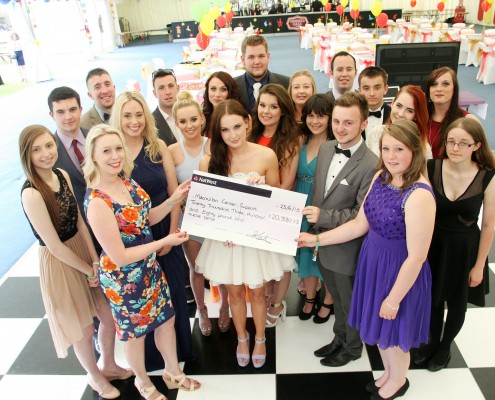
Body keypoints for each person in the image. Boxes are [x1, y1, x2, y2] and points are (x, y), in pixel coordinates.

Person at [300, 119, 435, 399]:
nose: (391, 156)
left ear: (415, 151)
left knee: (395, 334)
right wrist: (315, 239)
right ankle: (388, 373)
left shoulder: (419, 195)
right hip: (372, 263)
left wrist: (394, 298)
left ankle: (398, 380)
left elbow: (417, 257)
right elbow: (359, 225)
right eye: (386, 149)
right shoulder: (380, 176)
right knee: (380, 328)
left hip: (400, 272)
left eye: (399, 149)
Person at [84, 125, 200, 399]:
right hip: (124, 281)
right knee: (135, 336)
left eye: (118, 148)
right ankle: (142, 381)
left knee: (166, 321)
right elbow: (119, 256)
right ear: (94, 156)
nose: (115, 156)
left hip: (148, 270)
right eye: (106, 151)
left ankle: (173, 373)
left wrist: (174, 199)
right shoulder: (98, 201)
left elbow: (147, 219)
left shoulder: (127, 182)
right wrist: (164, 243)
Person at [20, 125, 131, 399]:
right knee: (83, 327)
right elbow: (55, 246)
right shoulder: (32, 193)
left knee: (107, 314)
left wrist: (96, 262)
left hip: (83, 252)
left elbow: (81, 220)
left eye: (49, 145)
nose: (46, 153)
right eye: (37, 150)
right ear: (27, 155)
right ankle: (94, 376)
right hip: (60, 263)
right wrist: (86, 269)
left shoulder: (63, 174)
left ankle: (108, 363)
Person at [195, 99, 295, 368]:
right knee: (236, 294)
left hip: (256, 239)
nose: (233, 135)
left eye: (237, 126)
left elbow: (278, 197)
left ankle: (260, 338)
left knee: (258, 291)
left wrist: (262, 186)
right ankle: (242, 337)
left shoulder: (266, 156)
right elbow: (208, 206)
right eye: (225, 130)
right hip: (226, 241)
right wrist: (221, 229)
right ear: (218, 132)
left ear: (248, 123)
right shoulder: (210, 160)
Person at [109, 91, 195, 368]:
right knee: (140, 300)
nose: (134, 121)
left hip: (163, 230)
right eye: (127, 115)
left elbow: (174, 192)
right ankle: (147, 360)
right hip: (130, 238)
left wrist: (171, 235)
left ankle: (179, 352)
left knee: (172, 295)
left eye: (138, 114)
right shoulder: (113, 150)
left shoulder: (157, 146)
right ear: (117, 118)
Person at [301, 92, 377, 368]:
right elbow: (320, 193)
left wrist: (324, 216)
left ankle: (353, 347)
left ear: (364, 124)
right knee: (334, 296)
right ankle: (339, 338)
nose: (340, 128)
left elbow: (360, 214)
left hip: (347, 247)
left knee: (349, 301)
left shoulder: (372, 164)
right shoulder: (325, 148)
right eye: (336, 121)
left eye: (348, 123)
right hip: (322, 243)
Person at [415, 118, 495, 372]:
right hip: (433, 244)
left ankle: (445, 346)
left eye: (463, 143)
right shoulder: (431, 167)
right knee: (433, 300)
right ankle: (429, 342)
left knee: (457, 303)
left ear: (477, 145)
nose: (456, 148)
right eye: (451, 142)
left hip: (465, 249)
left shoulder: (487, 177)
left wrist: (480, 265)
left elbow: (490, 226)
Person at [170, 91, 231, 336]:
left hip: (216, 220)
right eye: (183, 121)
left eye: (193, 119)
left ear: (202, 119)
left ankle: (225, 306)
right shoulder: (172, 151)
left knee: (222, 267)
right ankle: (203, 310)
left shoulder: (215, 146)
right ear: (176, 123)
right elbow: (172, 189)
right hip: (190, 221)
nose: (189, 125)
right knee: (196, 269)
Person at [249, 83, 300, 327]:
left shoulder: (290, 140)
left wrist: (263, 192)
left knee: (281, 262)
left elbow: (287, 184)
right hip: (253, 212)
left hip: (278, 211)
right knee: (263, 260)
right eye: (262, 105)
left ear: (283, 111)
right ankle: (269, 297)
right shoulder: (250, 135)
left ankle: (278, 303)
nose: (266, 111)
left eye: (273, 106)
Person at [295, 94, 335, 323]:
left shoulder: (335, 145)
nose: (315, 121)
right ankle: (310, 297)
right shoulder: (300, 140)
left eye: (321, 115)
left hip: (323, 205)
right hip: (301, 204)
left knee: (325, 256)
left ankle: (328, 299)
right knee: (305, 254)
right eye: (310, 115)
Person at [425, 66, 479, 158]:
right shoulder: (419, 116)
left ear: (454, 89)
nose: (438, 89)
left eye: (445, 84)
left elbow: (478, 159)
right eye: (434, 84)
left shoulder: (468, 121)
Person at [366, 85, 432, 159]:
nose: (401, 114)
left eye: (409, 111)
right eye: (399, 106)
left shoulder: (423, 147)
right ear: (392, 103)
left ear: (416, 116)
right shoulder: (375, 133)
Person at [235, 35, 290, 112]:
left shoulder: (286, 85)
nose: (257, 62)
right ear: (243, 60)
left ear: (268, 57)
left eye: (261, 56)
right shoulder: (233, 86)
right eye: (251, 57)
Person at [202, 71, 242, 137]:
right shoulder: (202, 115)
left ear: (230, 91)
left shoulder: (241, 117)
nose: (217, 94)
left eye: (223, 89)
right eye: (213, 89)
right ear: (207, 91)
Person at [358, 66, 390, 140]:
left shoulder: (394, 116)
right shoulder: (352, 115)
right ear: (359, 91)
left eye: (377, 87)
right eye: (366, 88)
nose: (372, 93)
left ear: (385, 89)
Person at [152, 68, 181, 145]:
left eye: (171, 86)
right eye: (161, 88)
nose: (167, 92)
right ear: (154, 93)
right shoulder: (150, 123)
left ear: (178, 88)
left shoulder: (192, 114)